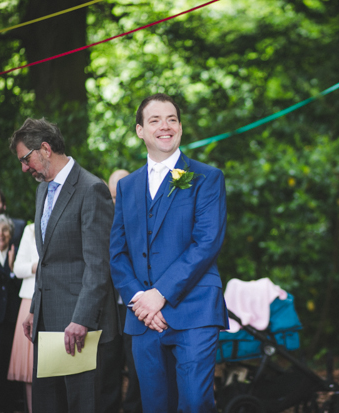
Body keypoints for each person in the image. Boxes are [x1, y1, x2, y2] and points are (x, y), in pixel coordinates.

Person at [110, 93, 229, 412]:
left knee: (194, 402)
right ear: (139, 130)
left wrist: (159, 294)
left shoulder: (206, 178)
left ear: (180, 127)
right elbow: (117, 254)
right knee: (154, 406)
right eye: (155, 120)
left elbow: (206, 243)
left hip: (194, 312)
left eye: (172, 119)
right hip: (143, 318)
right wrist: (139, 299)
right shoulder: (127, 187)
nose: (165, 126)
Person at [9, 117, 119, 413]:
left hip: (81, 329)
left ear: (44, 148)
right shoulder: (42, 190)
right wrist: (35, 308)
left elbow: (98, 265)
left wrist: (81, 319)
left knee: (84, 406)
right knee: (48, 406)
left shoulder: (91, 189)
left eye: (25, 158)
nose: (24, 168)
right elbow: (47, 260)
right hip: (48, 325)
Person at [101, 169, 142, 413]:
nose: (118, 201)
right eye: (114, 196)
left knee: (137, 366)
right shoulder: (100, 218)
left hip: (135, 304)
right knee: (107, 365)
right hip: (107, 304)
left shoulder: (142, 217)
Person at [0, 213, 22, 413]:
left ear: (11, 233)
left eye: (5, 230)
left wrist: (10, 269)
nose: (1, 234)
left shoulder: (17, 254)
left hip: (14, 318)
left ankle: (16, 405)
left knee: (13, 363)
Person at [8, 223, 39, 413]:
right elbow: (18, 268)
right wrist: (39, 266)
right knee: (30, 369)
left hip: (60, 300)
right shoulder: (31, 229)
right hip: (29, 299)